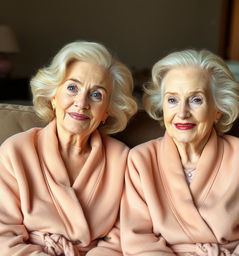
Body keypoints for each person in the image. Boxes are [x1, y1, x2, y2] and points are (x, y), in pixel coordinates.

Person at [0, 40, 137, 255]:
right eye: (72, 88)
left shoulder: (123, 159)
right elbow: (3, 236)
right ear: (53, 96)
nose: (81, 102)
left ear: (107, 111)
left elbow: (122, 237)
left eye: (96, 94)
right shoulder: (15, 152)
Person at [121, 49, 239, 255]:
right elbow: (138, 241)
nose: (182, 113)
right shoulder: (140, 160)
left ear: (218, 110)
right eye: (172, 100)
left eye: (196, 100)